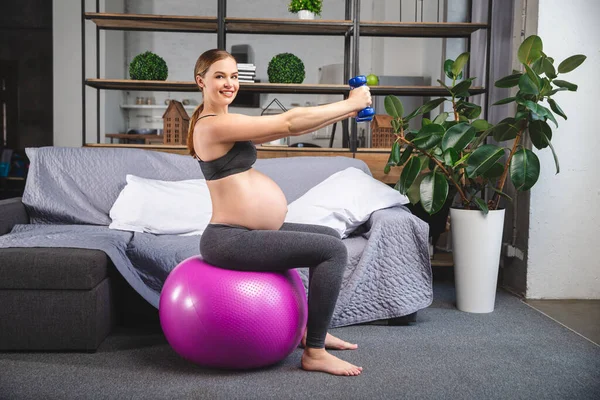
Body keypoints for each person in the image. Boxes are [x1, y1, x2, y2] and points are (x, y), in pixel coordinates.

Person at [187, 49, 371, 376]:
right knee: (332, 251)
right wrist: (352, 104)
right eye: (219, 76)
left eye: (234, 76)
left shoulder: (224, 121)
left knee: (328, 237)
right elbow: (289, 121)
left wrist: (346, 110)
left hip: (245, 233)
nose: (229, 83)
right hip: (229, 239)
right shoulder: (211, 126)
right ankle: (314, 352)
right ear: (201, 81)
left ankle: (311, 332)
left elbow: (288, 128)